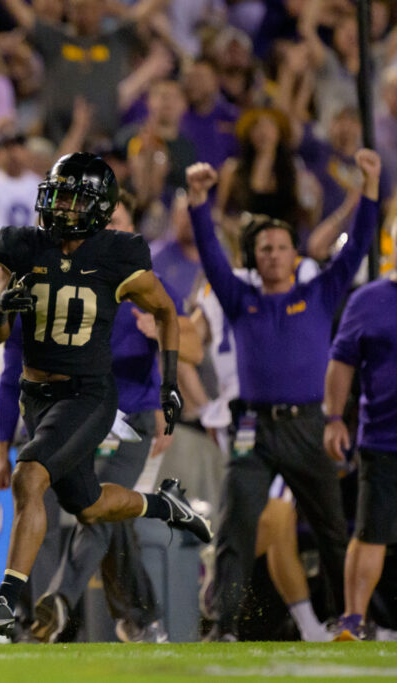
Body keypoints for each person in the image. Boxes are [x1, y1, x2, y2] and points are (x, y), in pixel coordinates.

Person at [0, 152, 211, 640]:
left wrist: (168, 381)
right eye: (57, 194)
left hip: (88, 396)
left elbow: (164, 312)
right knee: (91, 507)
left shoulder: (118, 256)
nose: (60, 206)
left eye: (73, 198)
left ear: (98, 207)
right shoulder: (24, 247)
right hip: (38, 399)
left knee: (30, 476)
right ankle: (166, 506)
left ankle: (5, 603)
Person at [184, 149, 380, 641]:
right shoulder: (238, 297)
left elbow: (357, 247)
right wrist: (199, 202)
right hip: (253, 427)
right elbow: (209, 251)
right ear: (254, 257)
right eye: (264, 248)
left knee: (333, 529)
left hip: (308, 425)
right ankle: (224, 626)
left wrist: (370, 189)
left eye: (281, 247)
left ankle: (350, 621)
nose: (272, 254)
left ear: (296, 255)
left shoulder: (319, 292)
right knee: (235, 527)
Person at [26, 190, 205, 644]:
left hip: (137, 418)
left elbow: (195, 348)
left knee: (98, 509)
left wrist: (163, 333)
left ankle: (60, 600)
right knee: (111, 514)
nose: (107, 231)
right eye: (99, 223)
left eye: (116, 222)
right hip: (81, 416)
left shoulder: (148, 282)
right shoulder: (71, 279)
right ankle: (143, 618)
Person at [325, 229, 397, 641]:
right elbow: (341, 362)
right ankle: (353, 618)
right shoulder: (367, 300)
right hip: (383, 439)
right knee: (370, 532)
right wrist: (334, 417)